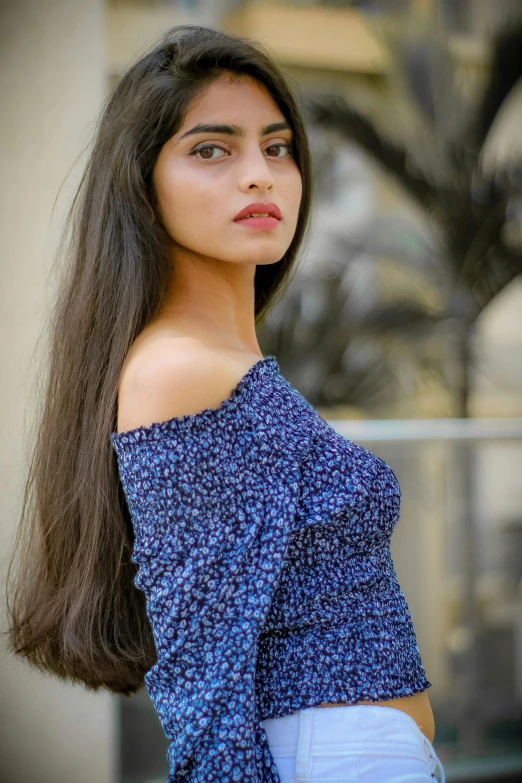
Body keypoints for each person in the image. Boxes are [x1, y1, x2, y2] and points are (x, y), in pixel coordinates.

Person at [5, 24, 445, 783]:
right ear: (142, 183)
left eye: (277, 147)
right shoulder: (178, 371)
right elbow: (202, 683)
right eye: (212, 149)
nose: (260, 176)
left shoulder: (227, 367)